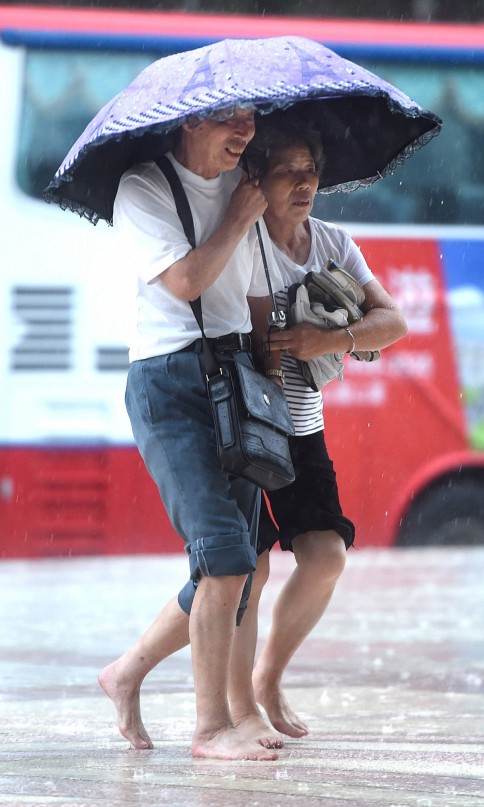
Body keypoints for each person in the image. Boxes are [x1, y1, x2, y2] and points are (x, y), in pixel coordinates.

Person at [98, 107, 283, 761]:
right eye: (230, 120)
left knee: (230, 566)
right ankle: (209, 730)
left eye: (251, 119)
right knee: (225, 558)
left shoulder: (249, 189)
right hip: (168, 384)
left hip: (236, 382)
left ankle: (125, 671)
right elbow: (184, 282)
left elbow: (258, 298)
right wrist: (237, 217)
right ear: (190, 121)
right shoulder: (143, 186)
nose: (245, 132)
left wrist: (288, 355)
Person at [226, 121, 408, 740]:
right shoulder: (246, 241)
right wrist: (284, 344)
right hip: (251, 429)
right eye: (288, 170)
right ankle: (234, 706)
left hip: (303, 428)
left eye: (311, 169)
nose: (305, 182)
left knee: (326, 556)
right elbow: (260, 347)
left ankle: (267, 677)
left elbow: (394, 321)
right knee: (246, 567)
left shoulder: (334, 242)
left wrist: (326, 338)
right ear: (258, 179)